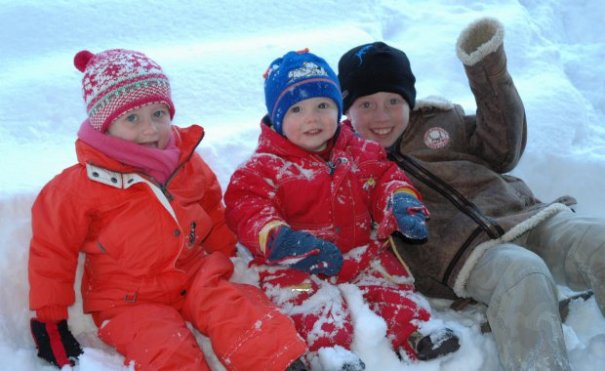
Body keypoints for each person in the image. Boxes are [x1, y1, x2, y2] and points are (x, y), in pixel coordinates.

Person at [337, 17, 605, 371]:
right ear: (345, 108)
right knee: (523, 274)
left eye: (392, 100)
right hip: (464, 257)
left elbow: (502, 151)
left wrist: (487, 71)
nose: (382, 115)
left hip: (526, 216)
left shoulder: (441, 120)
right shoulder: (348, 164)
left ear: (410, 98)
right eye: (366, 105)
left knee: (597, 240)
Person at [28, 48, 308, 371]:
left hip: (195, 275)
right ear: (103, 124)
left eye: (158, 114)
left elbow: (211, 207)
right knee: (166, 352)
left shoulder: (184, 160)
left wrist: (227, 253)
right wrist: (50, 320)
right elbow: (51, 250)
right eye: (132, 118)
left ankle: (281, 363)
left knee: (240, 312)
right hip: (129, 301)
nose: (150, 130)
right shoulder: (79, 186)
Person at [224, 49, 460, 370]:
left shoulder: (360, 151)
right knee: (305, 301)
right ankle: (329, 352)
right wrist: (284, 242)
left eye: (323, 105)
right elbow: (248, 209)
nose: (313, 118)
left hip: (359, 256)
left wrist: (401, 202)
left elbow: (385, 178)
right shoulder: (263, 168)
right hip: (295, 269)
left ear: (338, 107)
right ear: (277, 118)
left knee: (390, 286)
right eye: (297, 109)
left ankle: (417, 331)